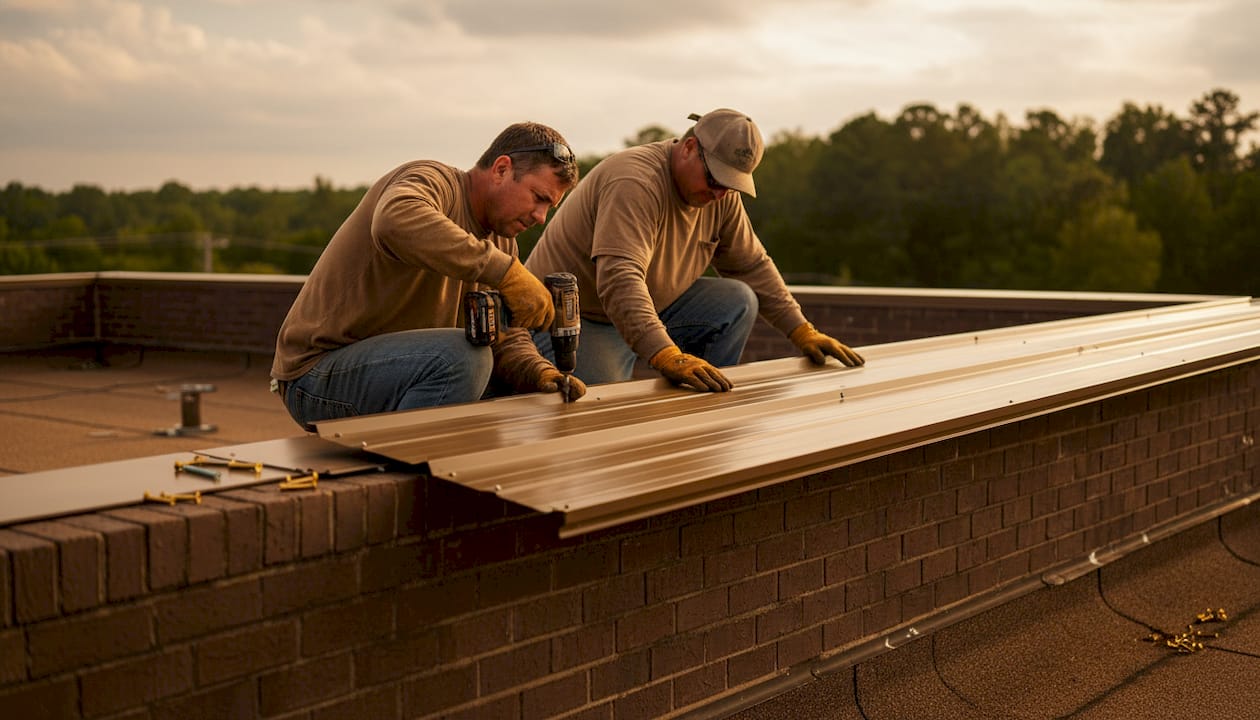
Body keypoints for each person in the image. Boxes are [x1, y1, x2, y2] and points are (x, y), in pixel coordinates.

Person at [271, 121, 587, 430]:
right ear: (501, 169)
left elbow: (501, 335)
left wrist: (538, 372)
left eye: (549, 207)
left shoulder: (503, 243)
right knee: (464, 358)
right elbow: (393, 221)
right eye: (538, 197)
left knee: (506, 392)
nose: (541, 217)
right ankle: (409, 460)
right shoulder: (432, 180)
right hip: (316, 376)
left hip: (401, 369)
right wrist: (505, 272)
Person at [525, 108, 864, 392]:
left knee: (737, 300)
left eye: (731, 185)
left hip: (648, 309)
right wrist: (665, 354)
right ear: (689, 147)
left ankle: (701, 402)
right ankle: (666, 371)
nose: (719, 193)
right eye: (715, 179)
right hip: (578, 318)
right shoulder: (636, 181)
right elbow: (619, 279)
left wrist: (801, 329)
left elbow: (751, 265)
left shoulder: (721, 197)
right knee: (600, 408)